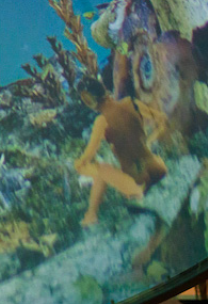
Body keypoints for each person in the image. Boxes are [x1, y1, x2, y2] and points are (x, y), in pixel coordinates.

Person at [72, 76, 169, 227]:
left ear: (89, 99)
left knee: (101, 169)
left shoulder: (101, 122)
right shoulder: (132, 103)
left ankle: (91, 216)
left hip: (138, 186)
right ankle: (90, 215)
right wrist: (149, 141)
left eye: (85, 100)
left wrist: (76, 164)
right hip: (159, 168)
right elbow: (162, 120)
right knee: (103, 172)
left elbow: (86, 158)